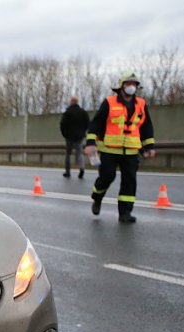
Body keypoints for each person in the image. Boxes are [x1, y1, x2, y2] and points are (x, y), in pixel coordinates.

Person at [84, 72, 156, 223]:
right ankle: (97, 197)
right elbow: (96, 123)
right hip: (109, 150)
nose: (131, 87)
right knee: (106, 178)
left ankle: (125, 213)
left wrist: (149, 146)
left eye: (134, 84)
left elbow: (146, 127)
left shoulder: (141, 104)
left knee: (129, 181)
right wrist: (90, 143)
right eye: (128, 83)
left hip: (131, 151)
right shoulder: (109, 102)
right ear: (121, 86)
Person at [59, 95, 90, 179]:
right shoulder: (83, 112)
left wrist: (65, 134)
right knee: (79, 153)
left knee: (68, 154)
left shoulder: (67, 112)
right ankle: (81, 169)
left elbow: (62, 124)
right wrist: (83, 132)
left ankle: (68, 172)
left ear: (71, 102)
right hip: (79, 137)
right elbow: (88, 123)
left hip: (69, 137)